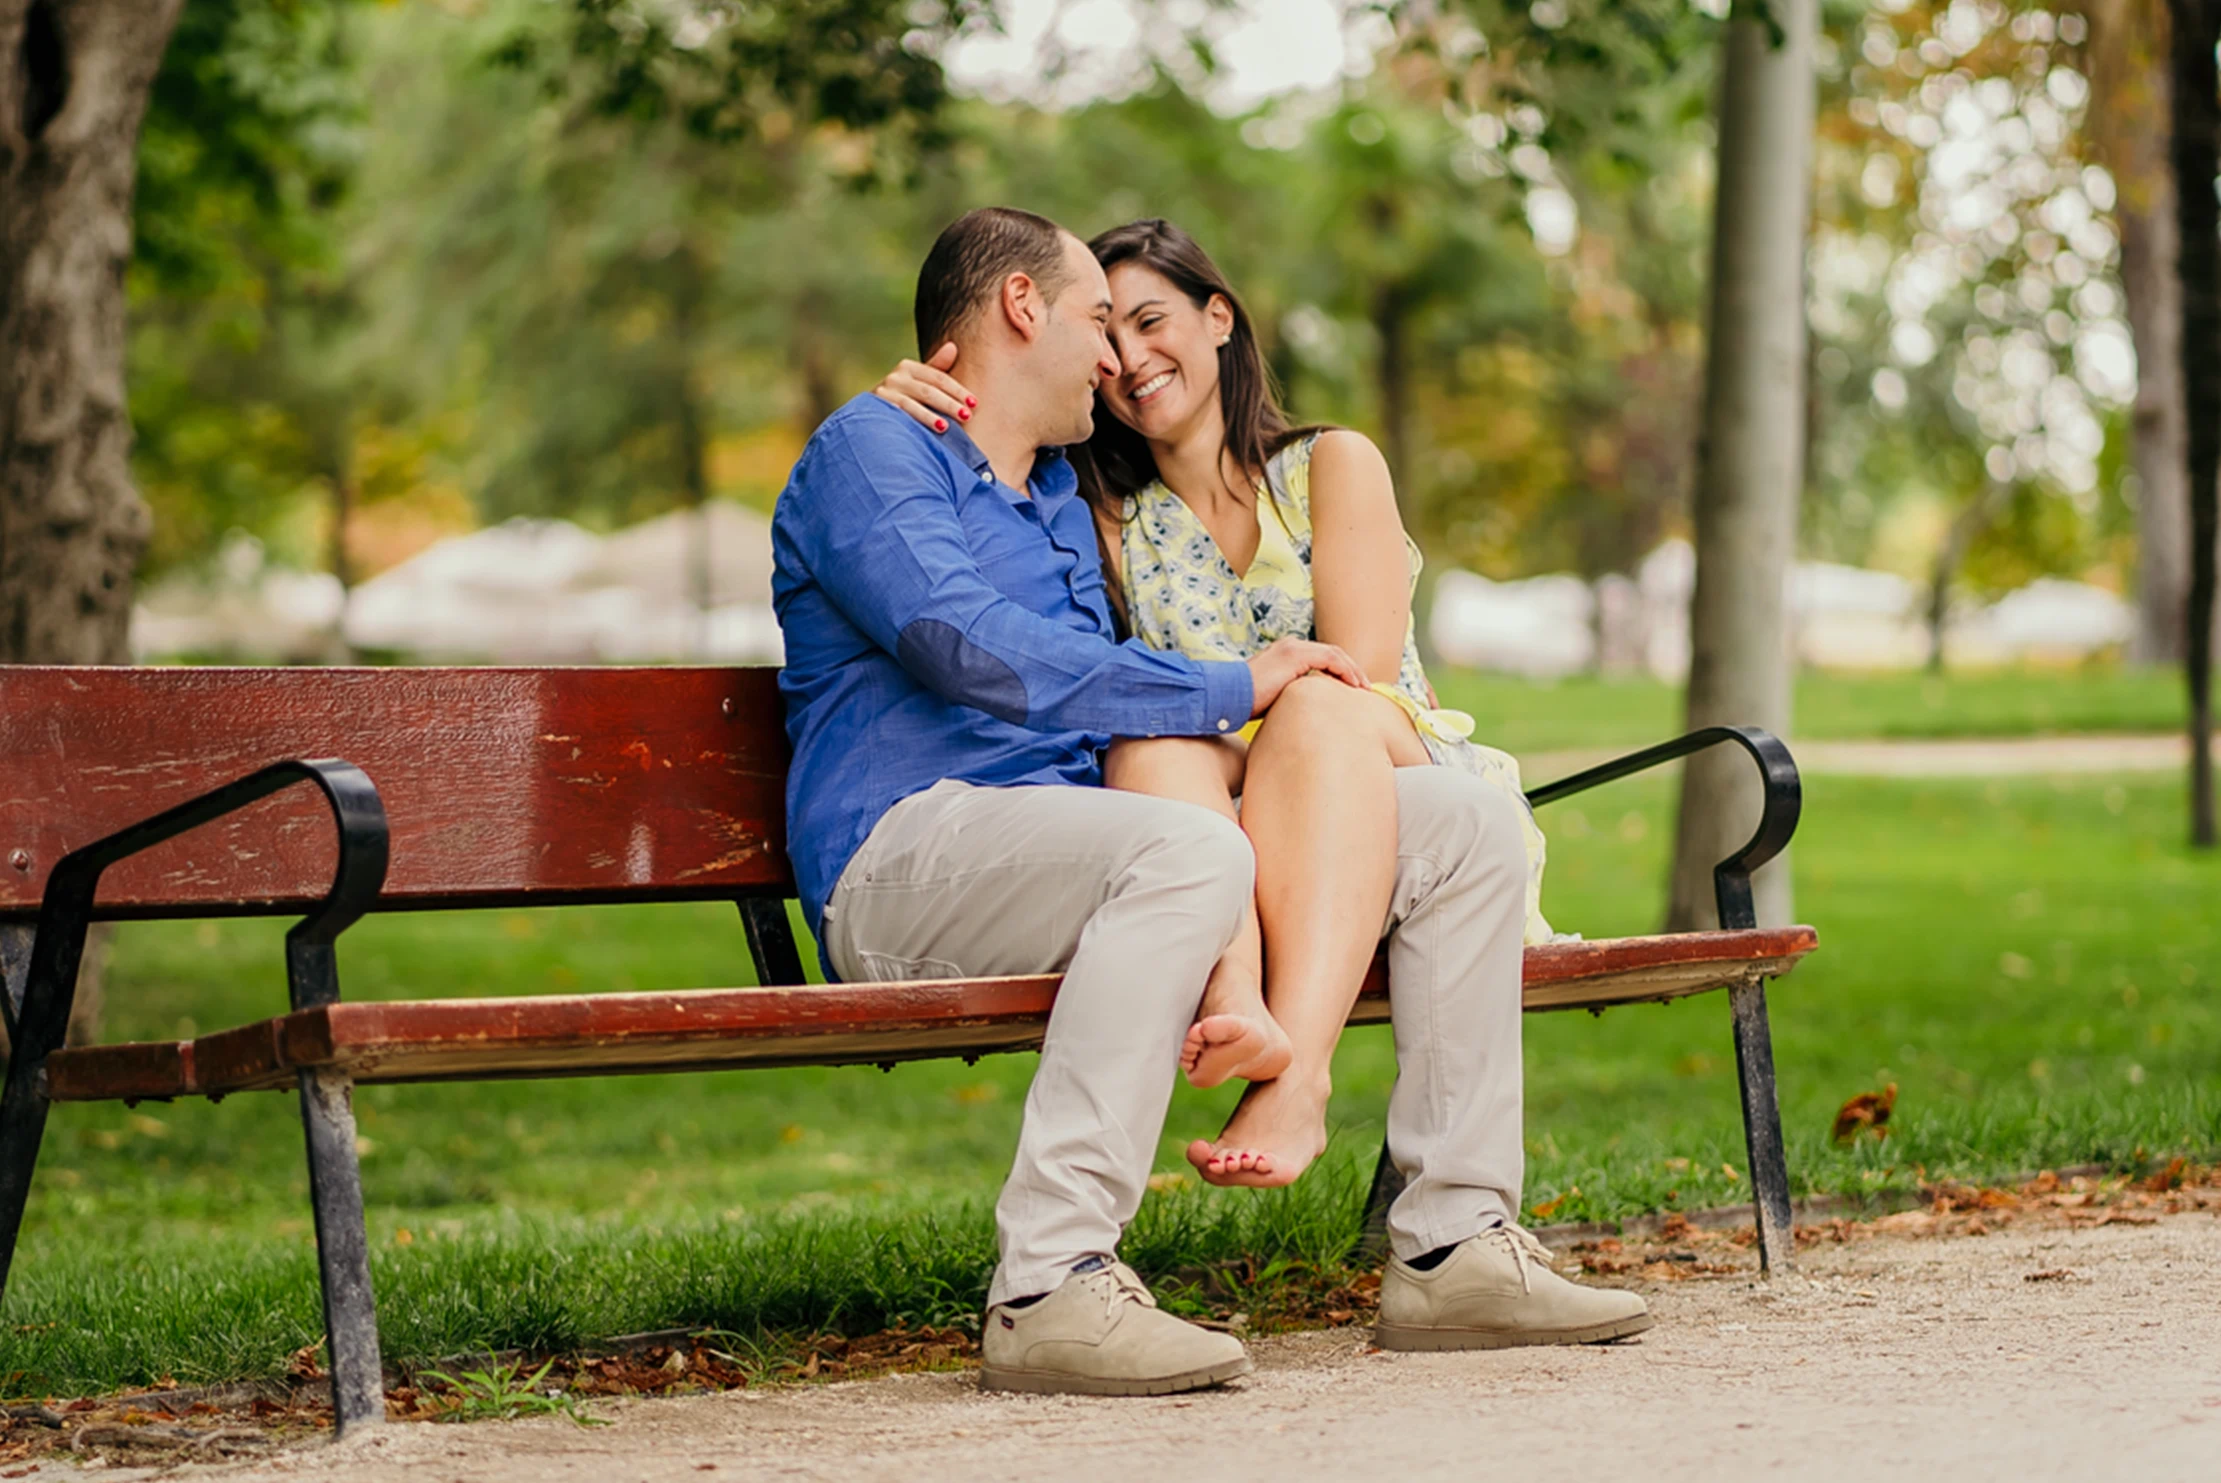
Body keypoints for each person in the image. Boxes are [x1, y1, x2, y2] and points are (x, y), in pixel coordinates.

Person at [775, 207, 1649, 1400]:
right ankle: (1048, 1283)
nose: (1113, 358)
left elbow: (1120, 712)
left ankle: (1454, 1244)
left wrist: (1271, 749)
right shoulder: (878, 448)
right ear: (1021, 308)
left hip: (1081, 841)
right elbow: (962, 643)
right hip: (910, 850)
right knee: (1181, 852)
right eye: (1097, 319)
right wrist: (1238, 684)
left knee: (1468, 827)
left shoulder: (1059, 498)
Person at [872, 219, 1555, 1194]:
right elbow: (984, 474)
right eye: (1108, 339)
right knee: (1147, 743)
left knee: (1312, 700)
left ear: (1219, 317)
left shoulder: (1329, 465)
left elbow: (1360, 674)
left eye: (1153, 321)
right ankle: (1246, 1003)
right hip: (1231, 810)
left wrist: (1241, 711)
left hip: (1387, 765)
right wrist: (909, 403)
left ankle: (1298, 1076)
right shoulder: (1106, 515)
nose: (1131, 360)